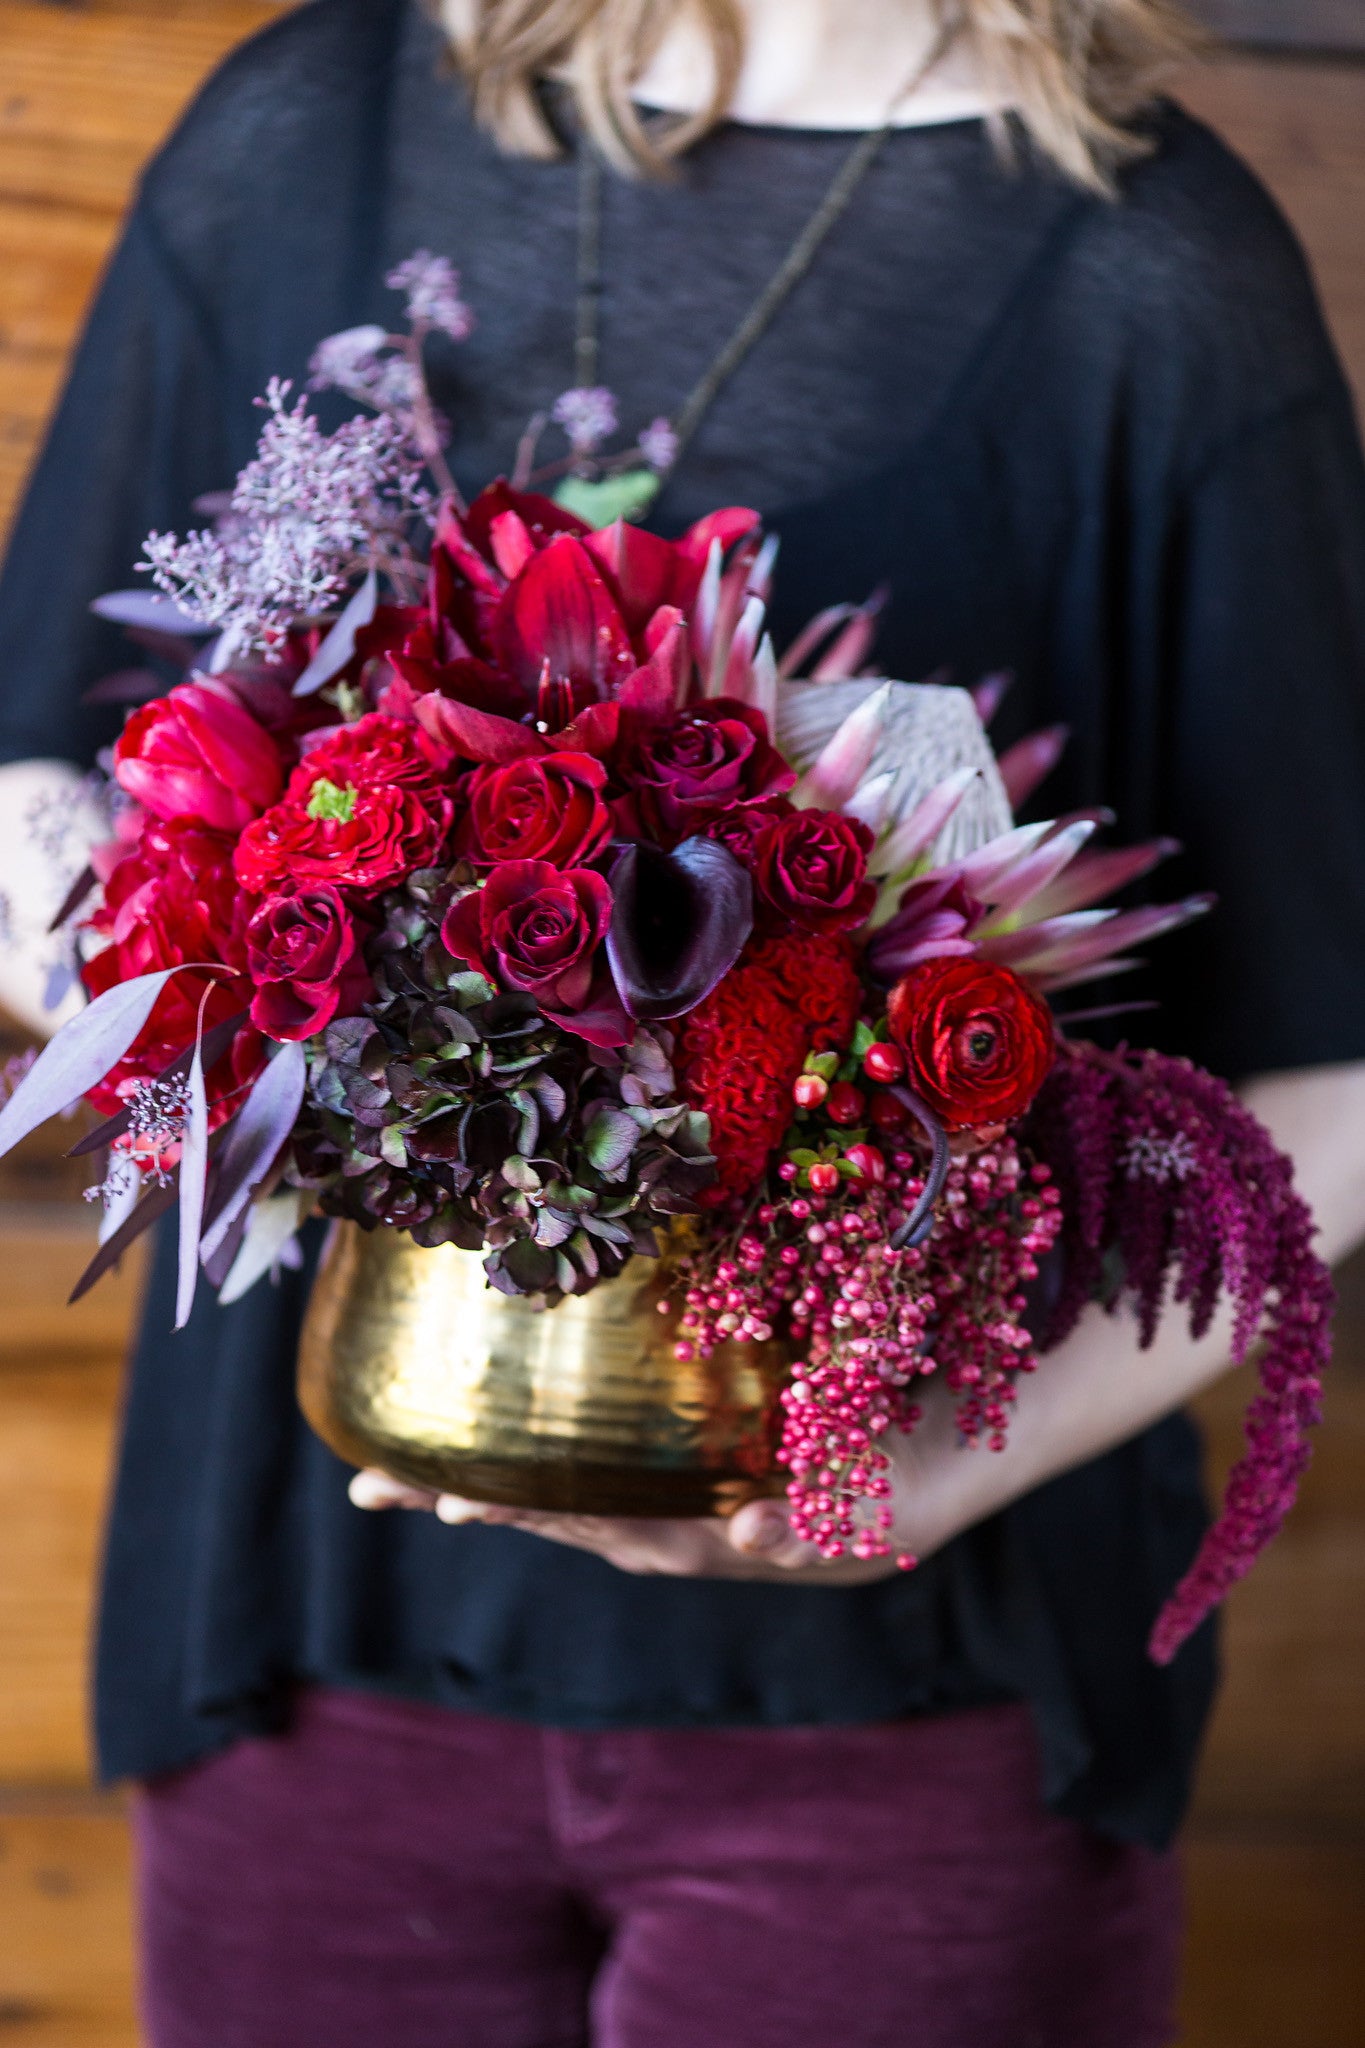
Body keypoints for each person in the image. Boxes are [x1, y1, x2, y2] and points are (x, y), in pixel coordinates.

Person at [1, 1, 1364, 2041]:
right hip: (306, 1650)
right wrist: (140, 926)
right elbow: (45, 780)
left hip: (909, 1730)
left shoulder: (1158, 272)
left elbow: (1336, 1091)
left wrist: (911, 1486)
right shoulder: (304, 130)